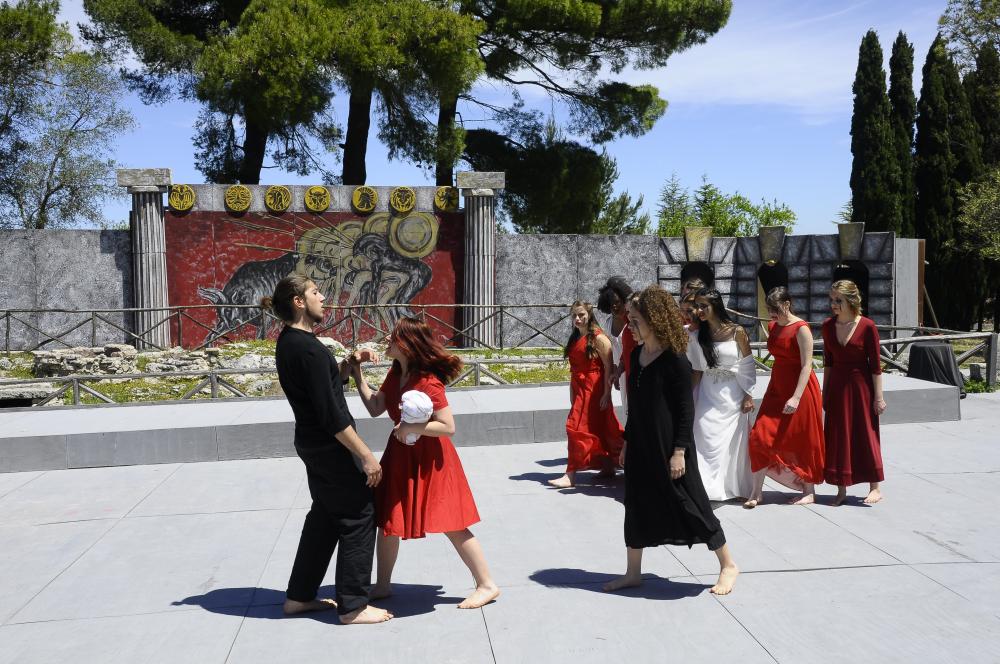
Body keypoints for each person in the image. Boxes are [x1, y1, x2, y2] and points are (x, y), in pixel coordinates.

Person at [264, 275, 392, 625]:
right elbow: (331, 413)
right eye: (315, 292)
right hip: (329, 445)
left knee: (324, 517)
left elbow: (321, 386)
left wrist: (349, 365)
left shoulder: (291, 343)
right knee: (358, 514)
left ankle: (299, 597)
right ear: (298, 301)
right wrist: (366, 455)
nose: (324, 298)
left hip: (311, 442)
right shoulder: (306, 348)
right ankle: (353, 605)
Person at [352, 317, 500, 608]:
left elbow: (447, 426)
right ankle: (382, 585)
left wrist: (412, 428)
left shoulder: (428, 382)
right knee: (389, 520)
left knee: (452, 523)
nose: (387, 341)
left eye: (392, 337)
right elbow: (374, 407)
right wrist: (357, 372)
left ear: (406, 344)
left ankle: (487, 584)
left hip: (432, 459)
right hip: (401, 456)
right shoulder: (397, 374)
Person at [603, 285, 739, 596]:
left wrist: (679, 451)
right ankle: (633, 572)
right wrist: (626, 441)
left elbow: (684, 410)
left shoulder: (676, 360)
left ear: (655, 320)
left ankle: (728, 564)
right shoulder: (637, 356)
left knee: (692, 504)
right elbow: (635, 407)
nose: (630, 327)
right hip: (640, 443)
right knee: (635, 503)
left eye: (635, 320)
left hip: (671, 447)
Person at [746, 287, 825, 507]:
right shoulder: (773, 326)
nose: (772, 314)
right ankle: (756, 492)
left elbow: (807, 366)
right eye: (770, 309)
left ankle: (809, 490)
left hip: (800, 390)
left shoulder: (802, 329)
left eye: (776, 309)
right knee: (759, 436)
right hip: (776, 388)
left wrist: (796, 397)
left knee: (802, 438)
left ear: (787, 304)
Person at [822, 280, 885, 506]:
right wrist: (824, 393)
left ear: (851, 300)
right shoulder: (827, 326)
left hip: (862, 389)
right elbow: (827, 363)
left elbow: (876, 367)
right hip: (838, 389)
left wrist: (879, 397)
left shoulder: (868, 326)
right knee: (839, 437)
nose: (833, 304)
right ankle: (841, 490)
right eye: (832, 300)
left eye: (838, 300)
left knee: (866, 435)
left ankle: (875, 487)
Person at [688, 288, 756, 501]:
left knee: (730, 442)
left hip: (733, 393)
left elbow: (747, 365)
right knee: (702, 432)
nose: (698, 310)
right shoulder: (698, 334)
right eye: (696, 306)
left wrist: (748, 395)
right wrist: (690, 397)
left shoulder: (737, 331)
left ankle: (728, 487)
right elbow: (698, 368)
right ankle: (705, 486)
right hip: (708, 392)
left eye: (703, 306)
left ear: (715, 306)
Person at [550, 301, 625, 488]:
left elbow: (609, 367)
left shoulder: (599, 338)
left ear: (589, 315)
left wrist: (606, 394)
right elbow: (574, 369)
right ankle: (608, 467)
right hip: (579, 386)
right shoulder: (575, 337)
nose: (577, 319)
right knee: (600, 426)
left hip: (594, 387)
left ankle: (570, 474)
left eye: (581, 315)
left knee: (575, 427)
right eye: (574, 315)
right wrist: (572, 392)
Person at [597, 277, 636, 420]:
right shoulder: (608, 323)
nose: (614, 306)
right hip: (620, 371)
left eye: (617, 302)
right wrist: (615, 373)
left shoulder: (633, 323)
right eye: (610, 304)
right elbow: (612, 351)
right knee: (627, 409)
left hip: (634, 369)